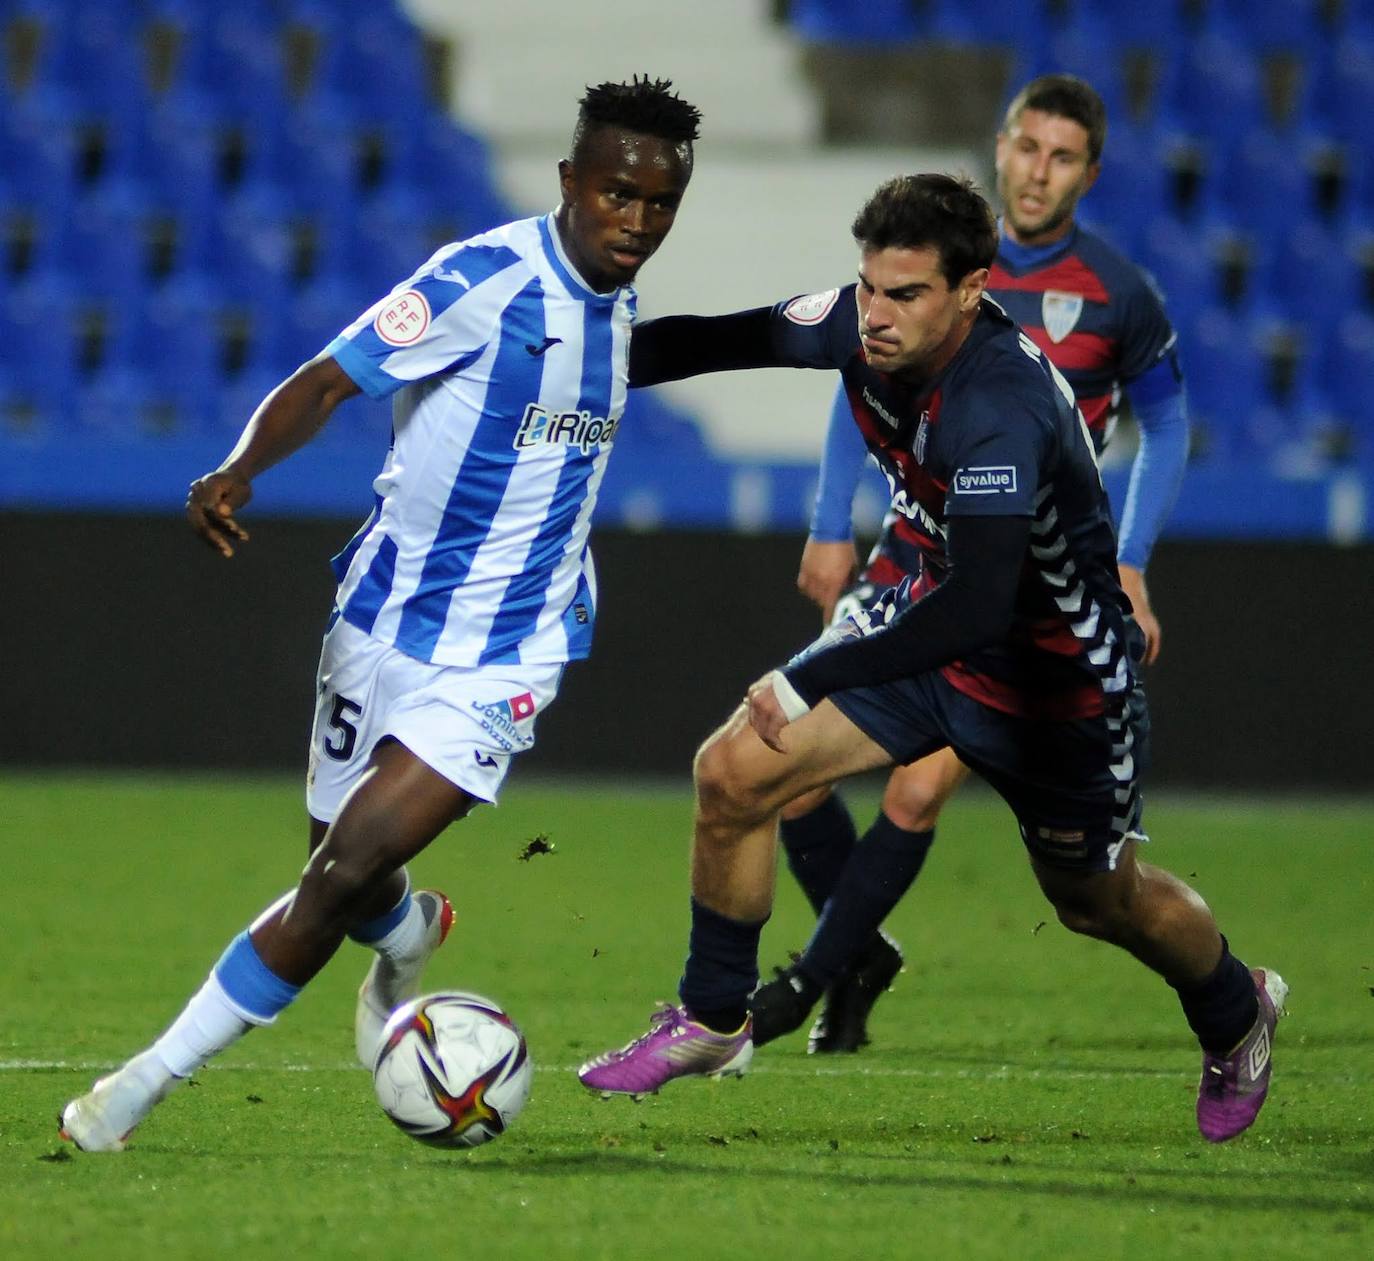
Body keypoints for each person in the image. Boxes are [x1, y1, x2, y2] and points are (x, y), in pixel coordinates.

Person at [59, 76, 702, 1153]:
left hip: (511, 648)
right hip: (383, 621)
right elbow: (325, 379)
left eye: (657, 203)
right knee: (351, 878)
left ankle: (137, 1086)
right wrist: (237, 468)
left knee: (343, 865)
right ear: (570, 183)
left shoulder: (621, 310)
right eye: (614, 194)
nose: (634, 221)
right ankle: (411, 940)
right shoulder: (482, 280)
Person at [577, 174, 1283, 1144]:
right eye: (870, 285)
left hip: (1058, 686)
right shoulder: (853, 323)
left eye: (905, 294)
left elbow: (984, 604)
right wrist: (577, 362)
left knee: (1097, 901)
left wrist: (811, 672)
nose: (875, 313)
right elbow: (712, 338)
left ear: (971, 289)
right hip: (932, 643)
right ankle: (710, 1016)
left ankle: (1238, 1012)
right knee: (735, 768)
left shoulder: (1001, 404)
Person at [757, 74, 1194, 1055]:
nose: (1038, 171)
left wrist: (1130, 558)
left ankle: (817, 982)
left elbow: (1168, 431)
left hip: (1024, 584)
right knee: (784, 770)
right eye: (1026, 146)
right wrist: (833, 522)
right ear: (1001, 146)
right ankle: (858, 955)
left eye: (1062, 155)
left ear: (1089, 172)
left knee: (915, 791)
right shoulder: (934, 259)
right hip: (913, 552)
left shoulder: (1118, 294)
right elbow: (859, 375)